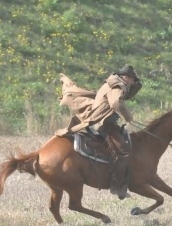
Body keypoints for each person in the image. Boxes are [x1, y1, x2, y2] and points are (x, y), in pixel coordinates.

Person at [56, 65, 143, 199]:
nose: (133, 83)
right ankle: (116, 185)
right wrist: (128, 117)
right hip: (103, 123)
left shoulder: (111, 83)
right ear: (126, 77)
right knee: (123, 152)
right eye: (132, 80)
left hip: (101, 121)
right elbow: (115, 103)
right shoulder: (118, 86)